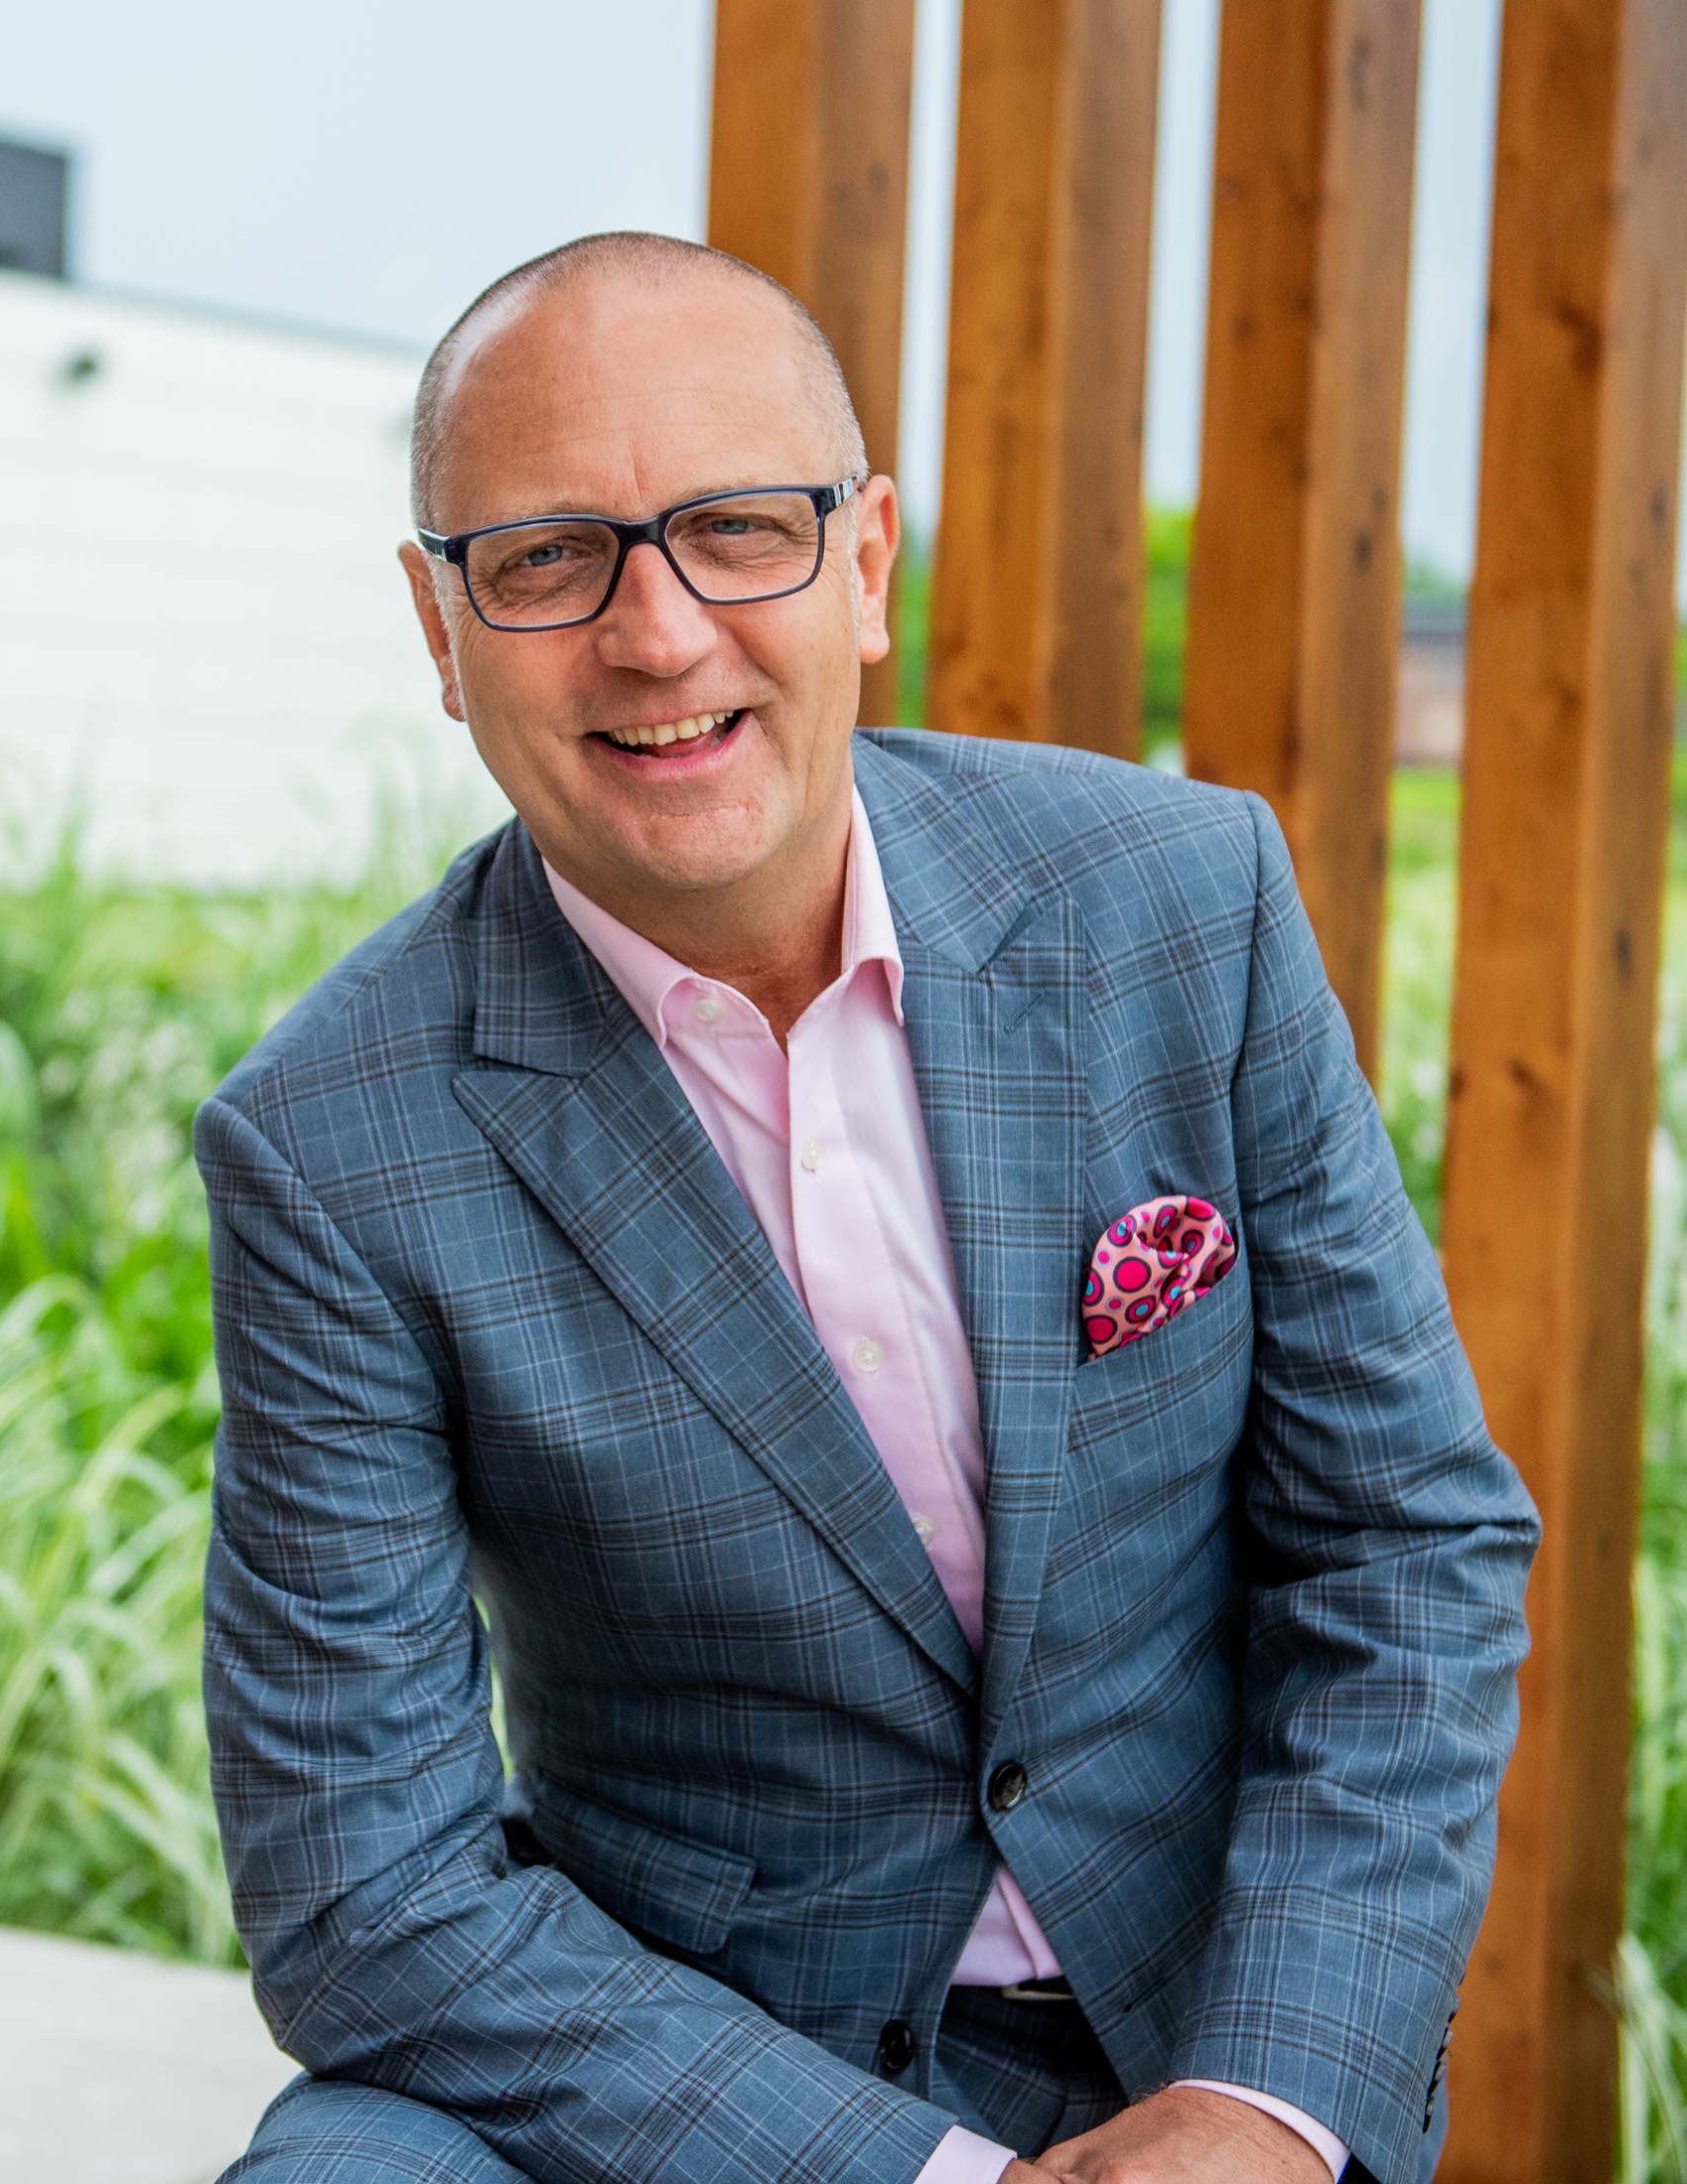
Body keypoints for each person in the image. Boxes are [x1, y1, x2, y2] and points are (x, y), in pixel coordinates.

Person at [200, 232, 1538, 2184]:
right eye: (550, 558)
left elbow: (1405, 1545)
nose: (658, 636)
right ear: (441, 624)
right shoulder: (332, 1143)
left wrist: (1265, 2097)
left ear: (869, 564)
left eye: (736, 528)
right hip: (697, 2059)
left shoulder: (1186, 907)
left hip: (1209, 2024)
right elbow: (366, 1888)